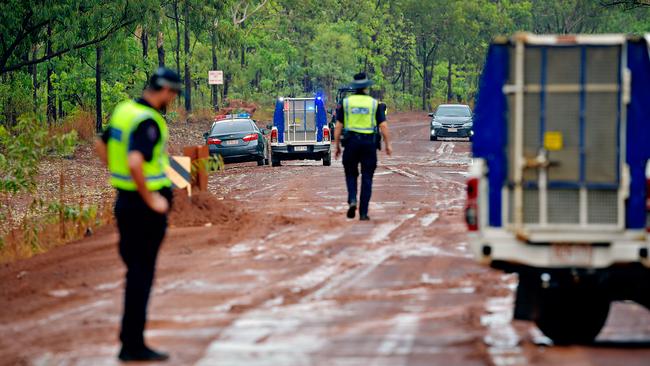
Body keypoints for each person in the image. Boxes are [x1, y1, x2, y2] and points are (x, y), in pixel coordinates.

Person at [95, 67, 181, 362]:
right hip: (144, 209)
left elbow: (101, 145)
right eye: (174, 94)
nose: (172, 99)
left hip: (125, 204)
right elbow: (135, 162)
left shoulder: (124, 111)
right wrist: (151, 199)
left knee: (135, 272)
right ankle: (132, 344)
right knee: (141, 275)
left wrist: (119, 180)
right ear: (166, 91)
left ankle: (129, 340)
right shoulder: (148, 121)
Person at [334, 72, 392, 221]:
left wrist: (337, 147)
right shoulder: (374, 103)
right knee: (367, 177)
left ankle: (352, 199)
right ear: (366, 87)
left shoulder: (346, 103)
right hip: (369, 144)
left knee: (350, 174)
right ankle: (364, 213)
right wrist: (387, 145)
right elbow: (383, 126)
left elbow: (338, 126)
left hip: (351, 143)